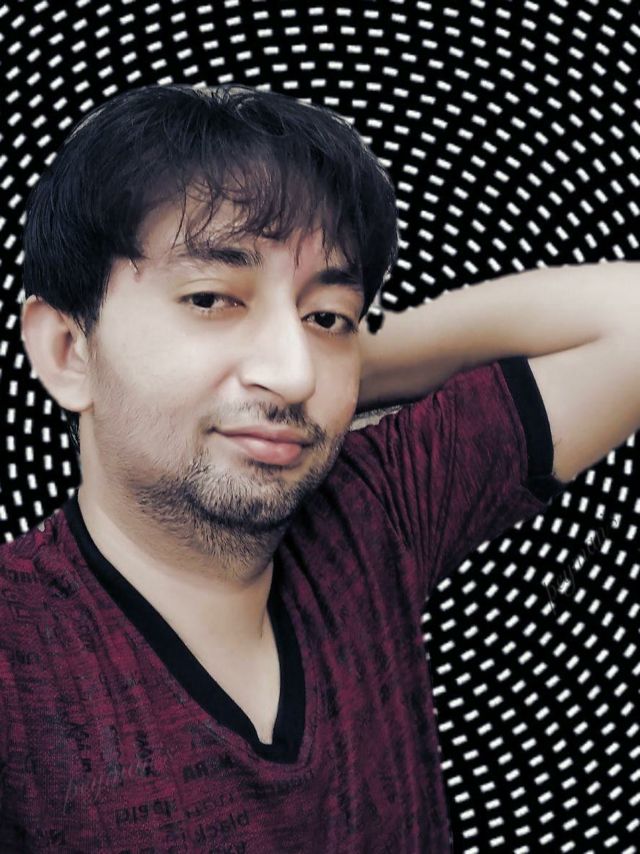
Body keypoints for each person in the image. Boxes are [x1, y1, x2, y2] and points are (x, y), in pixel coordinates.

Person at [1, 82, 616, 852]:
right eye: (212, 299)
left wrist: (339, 369)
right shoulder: (17, 659)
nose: (293, 374)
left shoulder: (374, 512)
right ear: (67, 350)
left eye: (327, 316)